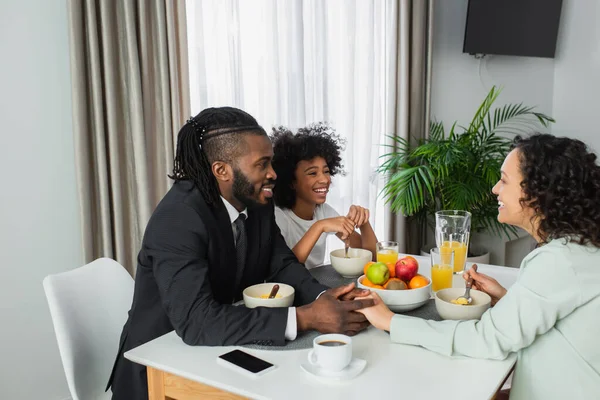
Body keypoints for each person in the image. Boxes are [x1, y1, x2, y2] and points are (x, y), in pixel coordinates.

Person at [107, 107, 374, 400]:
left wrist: (322, 297)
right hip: (160, 368)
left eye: (271, 162)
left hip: (222, 350)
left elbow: (280, 264)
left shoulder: (257, 201)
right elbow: (197, 321)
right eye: (262, 165)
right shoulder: (178, 218)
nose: (273, 173)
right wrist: (304, 318)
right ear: (221, 170)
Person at [357, 133, 600, 399]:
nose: (495, 188)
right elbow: (560, 327)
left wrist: (391, 321)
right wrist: (510, 300)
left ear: (536, 194)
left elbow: (488, 339)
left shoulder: (559, 260)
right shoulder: (578, 249)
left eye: (504, 181)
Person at [270, 123, 378, 269]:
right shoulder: (279, 216)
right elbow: (285, 268)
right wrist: (319, 226)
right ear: (291, 181)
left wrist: (363, 222)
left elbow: (370, 255)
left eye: (326, 171)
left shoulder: (322, 210)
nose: (324, 180)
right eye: (312, 173)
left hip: (314, 285)